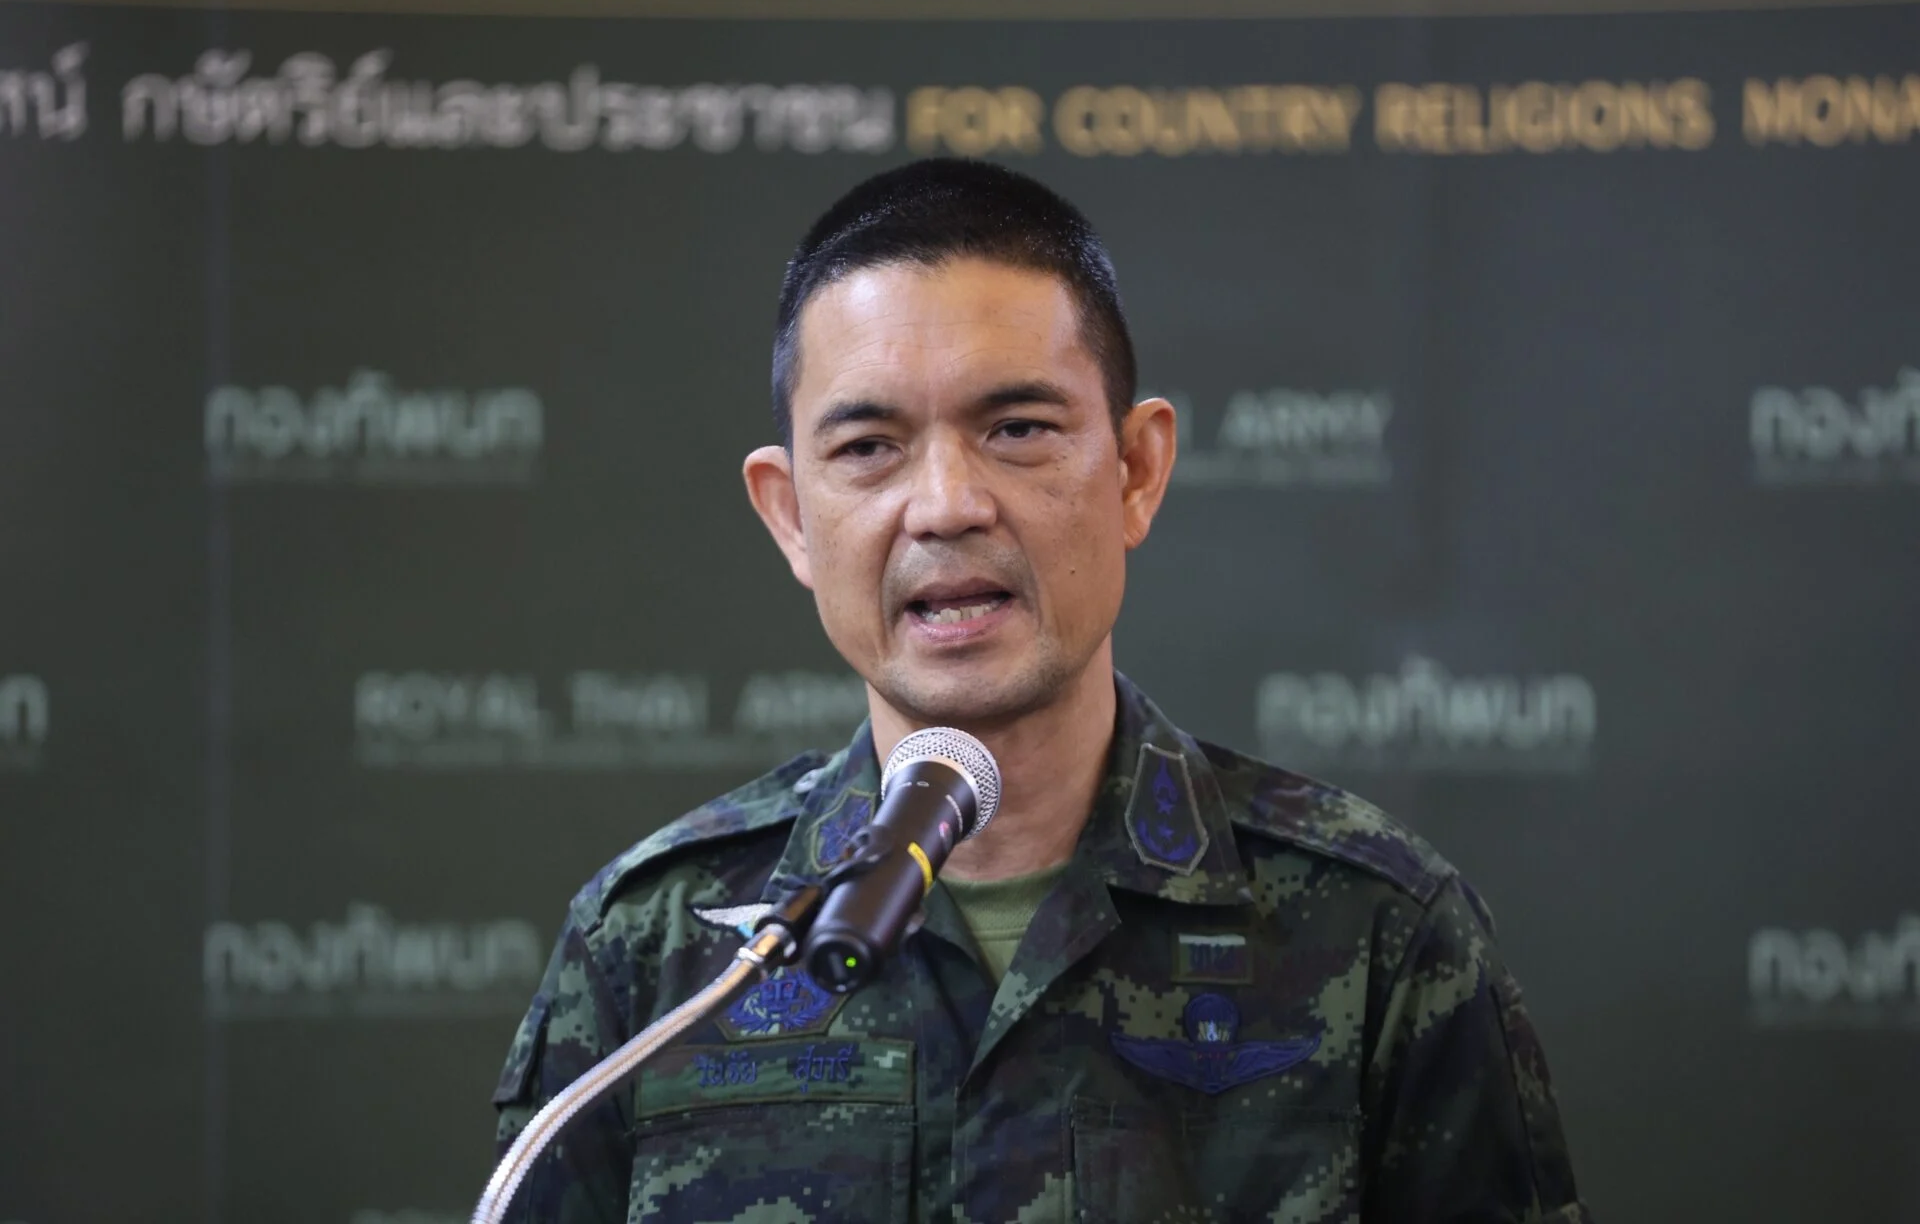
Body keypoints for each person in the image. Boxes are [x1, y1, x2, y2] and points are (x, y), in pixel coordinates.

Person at [491, 158, 1594, 1224]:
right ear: (790, 517)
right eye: (869, 446)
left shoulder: (1378, 929)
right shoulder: (663, 951)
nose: (945, 505)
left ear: (1136, 471)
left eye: (1017, 429)